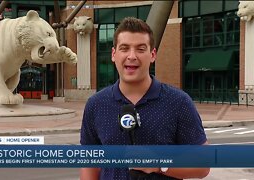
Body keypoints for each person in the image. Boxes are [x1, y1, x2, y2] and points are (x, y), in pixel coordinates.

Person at [80, 17, 210, 180]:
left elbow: (203, 165)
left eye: (141, 49)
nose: (132, 56)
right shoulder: (96, 104)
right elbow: (90, 164)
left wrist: (158, 165)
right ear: (114, 54)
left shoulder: (179, 102)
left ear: (152, 54)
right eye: (124, 48)